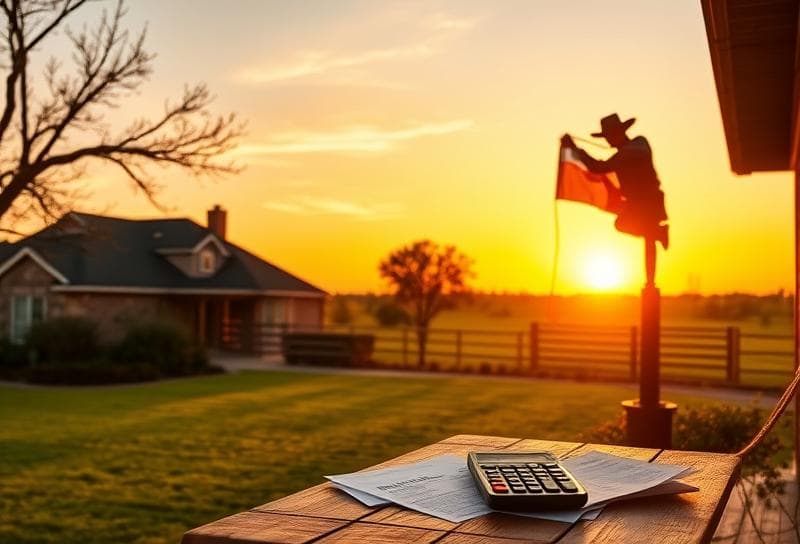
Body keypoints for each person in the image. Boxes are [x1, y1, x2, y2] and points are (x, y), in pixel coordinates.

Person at [561, 113, 669, 250]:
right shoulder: (626, 152)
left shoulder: (638, 144)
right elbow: (599, 167)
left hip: (648, 201)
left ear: (619, 133)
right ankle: (657, 233)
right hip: (638, 202)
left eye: (610, 136)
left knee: (622, 224)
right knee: (623, 223)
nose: (608, 141)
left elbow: (598, 168)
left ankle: (658, 232)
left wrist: (575, 149)